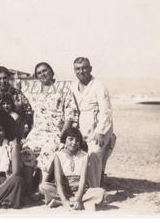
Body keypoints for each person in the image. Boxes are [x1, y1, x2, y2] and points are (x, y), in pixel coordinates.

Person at [21, 62, 79, 190]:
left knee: (48, 152)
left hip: (56, 132)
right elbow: (26, 109)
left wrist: (62, 136)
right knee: (26, 150)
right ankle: (28, 187)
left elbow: (70, 114)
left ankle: (41, 187)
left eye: (45, 70)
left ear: (52, 72)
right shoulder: (34, 92)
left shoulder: (63, 89)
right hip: (37, 131)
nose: (42, 74)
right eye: (39, 73)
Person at [71, 57, 116, 187]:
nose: (81, 71)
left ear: (90, 69)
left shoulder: (98, 86)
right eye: (78, 69)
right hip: (80, 130)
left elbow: (106, 111)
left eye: (84, 68)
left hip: (98, 130)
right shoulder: (73, 86)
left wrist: (101, 132)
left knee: (94, 154)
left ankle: (94, 187)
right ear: (74, 70)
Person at [39, 128, 105, 211]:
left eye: (77, 140)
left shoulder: (84, 156)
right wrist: (64, 200)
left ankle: (60, 202)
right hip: (64, 190)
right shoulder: (58, 155)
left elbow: (83, 179)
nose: (74, 143)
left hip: (81, 191)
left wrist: (78, 198)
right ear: (64, 140)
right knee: (43, 187)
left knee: (101, 193)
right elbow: (58, 181)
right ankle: (68, 202)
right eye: (71, 139)